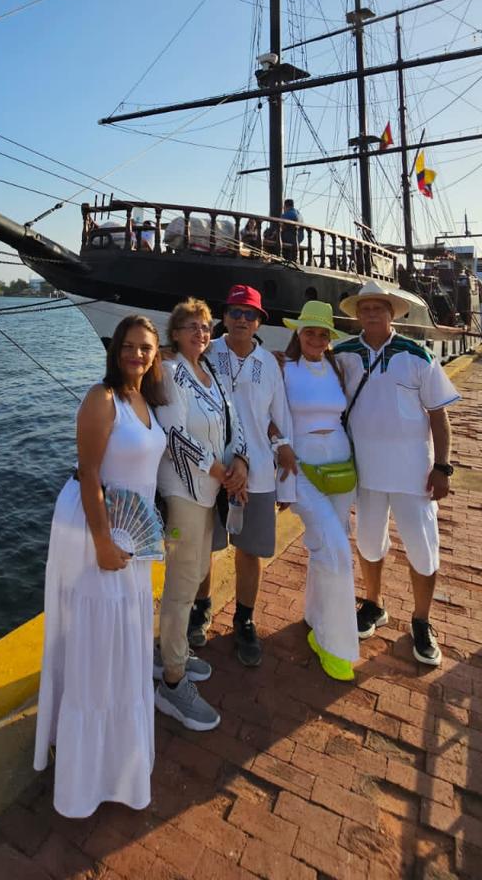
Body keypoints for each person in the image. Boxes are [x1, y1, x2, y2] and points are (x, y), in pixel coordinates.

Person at [34, 315, 168, 817]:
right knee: (96, 643)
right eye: (129, 347)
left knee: (122, 641)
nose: (137, 354)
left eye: (146, 348)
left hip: (132, 533)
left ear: (156, 354)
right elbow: (89, 473)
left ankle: (116, 760)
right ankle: (81, 771)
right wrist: (102, 543)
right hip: (98, 529)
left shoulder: (145, 399)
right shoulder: (103, 398)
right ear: (115, 351)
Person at [333, 280, 460, 667]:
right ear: (357, 314)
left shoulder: (416, 355)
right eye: (365, 308)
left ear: (392, 312)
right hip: (366, 472)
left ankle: (421, 621)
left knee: (422, 547)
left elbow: (439, 416)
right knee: (369, 543)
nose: (372, 313)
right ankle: (374, 603)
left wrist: (442, 467)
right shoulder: (343, 354)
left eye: (379, 307)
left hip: (412, 473)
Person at [154, 298, 248, 731]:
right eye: (191, 326)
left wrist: (239, 465)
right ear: (175, 333)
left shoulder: (212, 377)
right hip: (185, 493)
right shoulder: (171, 374)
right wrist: (218, 469)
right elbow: (174, 435)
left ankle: (169, 653)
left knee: (190, 580)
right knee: (180, 583)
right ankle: (172, 684)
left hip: (211, 494)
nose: (200, 333)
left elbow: (235, 425)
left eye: (206, 327)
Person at [198, 284, 291, 667]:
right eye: (235, 312)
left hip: (257, 475)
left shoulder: (269, 363)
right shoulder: (205, 351)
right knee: (204, 546)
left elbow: (278, 416)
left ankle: (245, 617)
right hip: (210, 468)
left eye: (249, 314)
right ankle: (200, 608)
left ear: (258, 322)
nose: (241, 320)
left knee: (250, 552)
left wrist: (284, 454)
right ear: (224, 315)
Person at [275, 301, 360, 680]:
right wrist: (280, 446)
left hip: (341, 471)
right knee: (338, 553)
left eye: (322, 333)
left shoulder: (338, 367)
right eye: (309, 332)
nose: (315, 339)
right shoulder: (282, 368)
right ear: (298, 333)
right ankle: (335, 643)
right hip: (303, 468)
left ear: (329, 339)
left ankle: (314, 616)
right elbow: (264, 413)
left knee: (329, 545)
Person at [280, 198, 304, 263]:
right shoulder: (299, 214)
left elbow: (280, 226)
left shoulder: (287, 214)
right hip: (299, 239)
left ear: (285, 206)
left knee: (275, 237)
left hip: (290, 239)